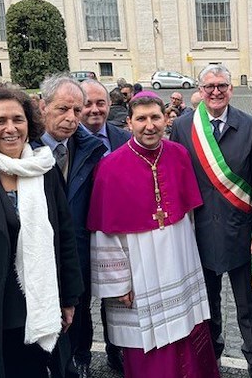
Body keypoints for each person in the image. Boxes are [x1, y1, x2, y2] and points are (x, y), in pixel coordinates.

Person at [87, 92, 219, 378]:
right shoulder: (110, 167)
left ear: (166, 119)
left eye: (155, 117)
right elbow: (105, 232)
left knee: (187, 326)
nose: (150, 125)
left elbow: (190, 216)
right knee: (148, 340)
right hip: (139, 267)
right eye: (142, 119)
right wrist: (119, 282)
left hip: (179, 258)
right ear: (130, 123)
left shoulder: (179, 155)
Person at [0, 89, 83, 378]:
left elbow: (65, 236)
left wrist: (69, 298)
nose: (10, 129)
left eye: (17, 119)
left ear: (29, 123)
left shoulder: (44, 170)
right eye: (0, 121)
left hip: (38, 304)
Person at [171, 64, 252, 378]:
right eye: (209, 86)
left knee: (248, 305)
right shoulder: (184, 126)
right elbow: (177, 178)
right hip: (199, 233)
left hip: (241, 231)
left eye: (221, 86)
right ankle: (211, 357)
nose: (215, 92)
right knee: (206, 303)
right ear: (199, 90)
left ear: (231, 89)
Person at [38, 74, 107, 378]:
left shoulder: (90, 149)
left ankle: (77, 361)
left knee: (76, 317)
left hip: (76, 253)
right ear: (42, 106)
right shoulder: (23, 150)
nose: (71, 119)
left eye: (76, 111)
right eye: (62, 109)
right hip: (36, 256)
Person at [79, 79, 130, 374]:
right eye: (88, 104)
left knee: (115, 297)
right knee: (82, 298)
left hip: (116, 233)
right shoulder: (69, 139)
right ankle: (82, 356)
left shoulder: (122, 138)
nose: (95, 110)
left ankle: (116, 350)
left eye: (100, 103)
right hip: (83, 232)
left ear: (109, 106)